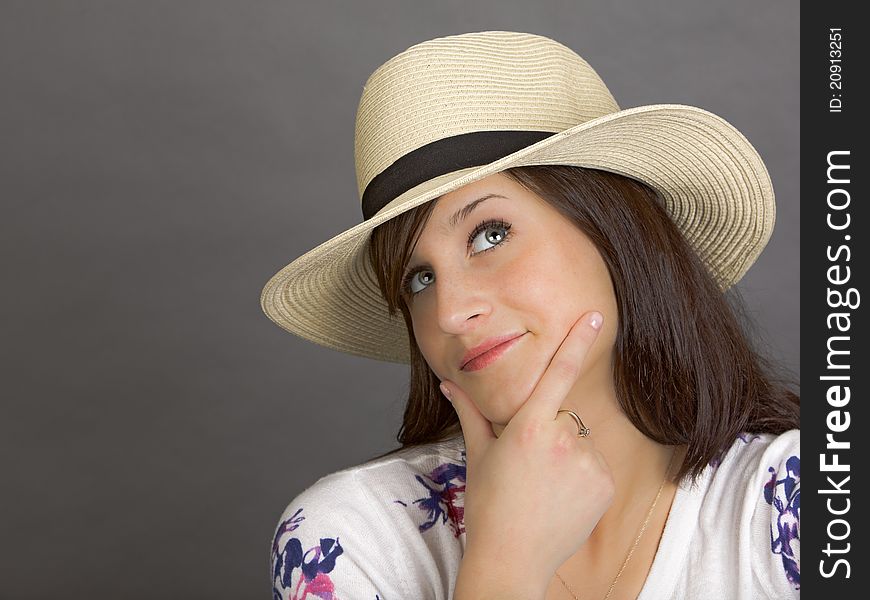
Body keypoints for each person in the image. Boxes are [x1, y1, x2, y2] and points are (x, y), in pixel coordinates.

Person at [262, 31, 800, 600]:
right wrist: (505, 564)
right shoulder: (352, 540)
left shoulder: (791, 510)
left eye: (490, 235)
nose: (449, 312)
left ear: (616, 233)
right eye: (419, 278)